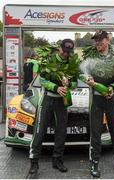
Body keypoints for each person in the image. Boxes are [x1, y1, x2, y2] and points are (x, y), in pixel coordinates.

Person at [80, 30, 114, 178]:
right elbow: (81, 71)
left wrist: (112, 88)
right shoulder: (90, 56)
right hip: (96, 99)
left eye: (100, 40)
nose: (97, 43)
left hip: (111, 99)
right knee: (95, 132)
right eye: (96, 41)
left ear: (107, 40)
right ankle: (95, 162)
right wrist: (87, 78)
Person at [28, 39, 79, 175]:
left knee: (61, 132)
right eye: (64, 51)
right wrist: (56, 87)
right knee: (39, 131)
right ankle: (34, 161)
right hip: (47, 99)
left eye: (68, 52)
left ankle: (57, 160)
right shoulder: (48, 59)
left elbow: (75, 84)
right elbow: (42, 80)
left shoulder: (72, 62)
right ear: (59, 48)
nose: (65, 54)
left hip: (62, 102)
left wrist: (69, 84)